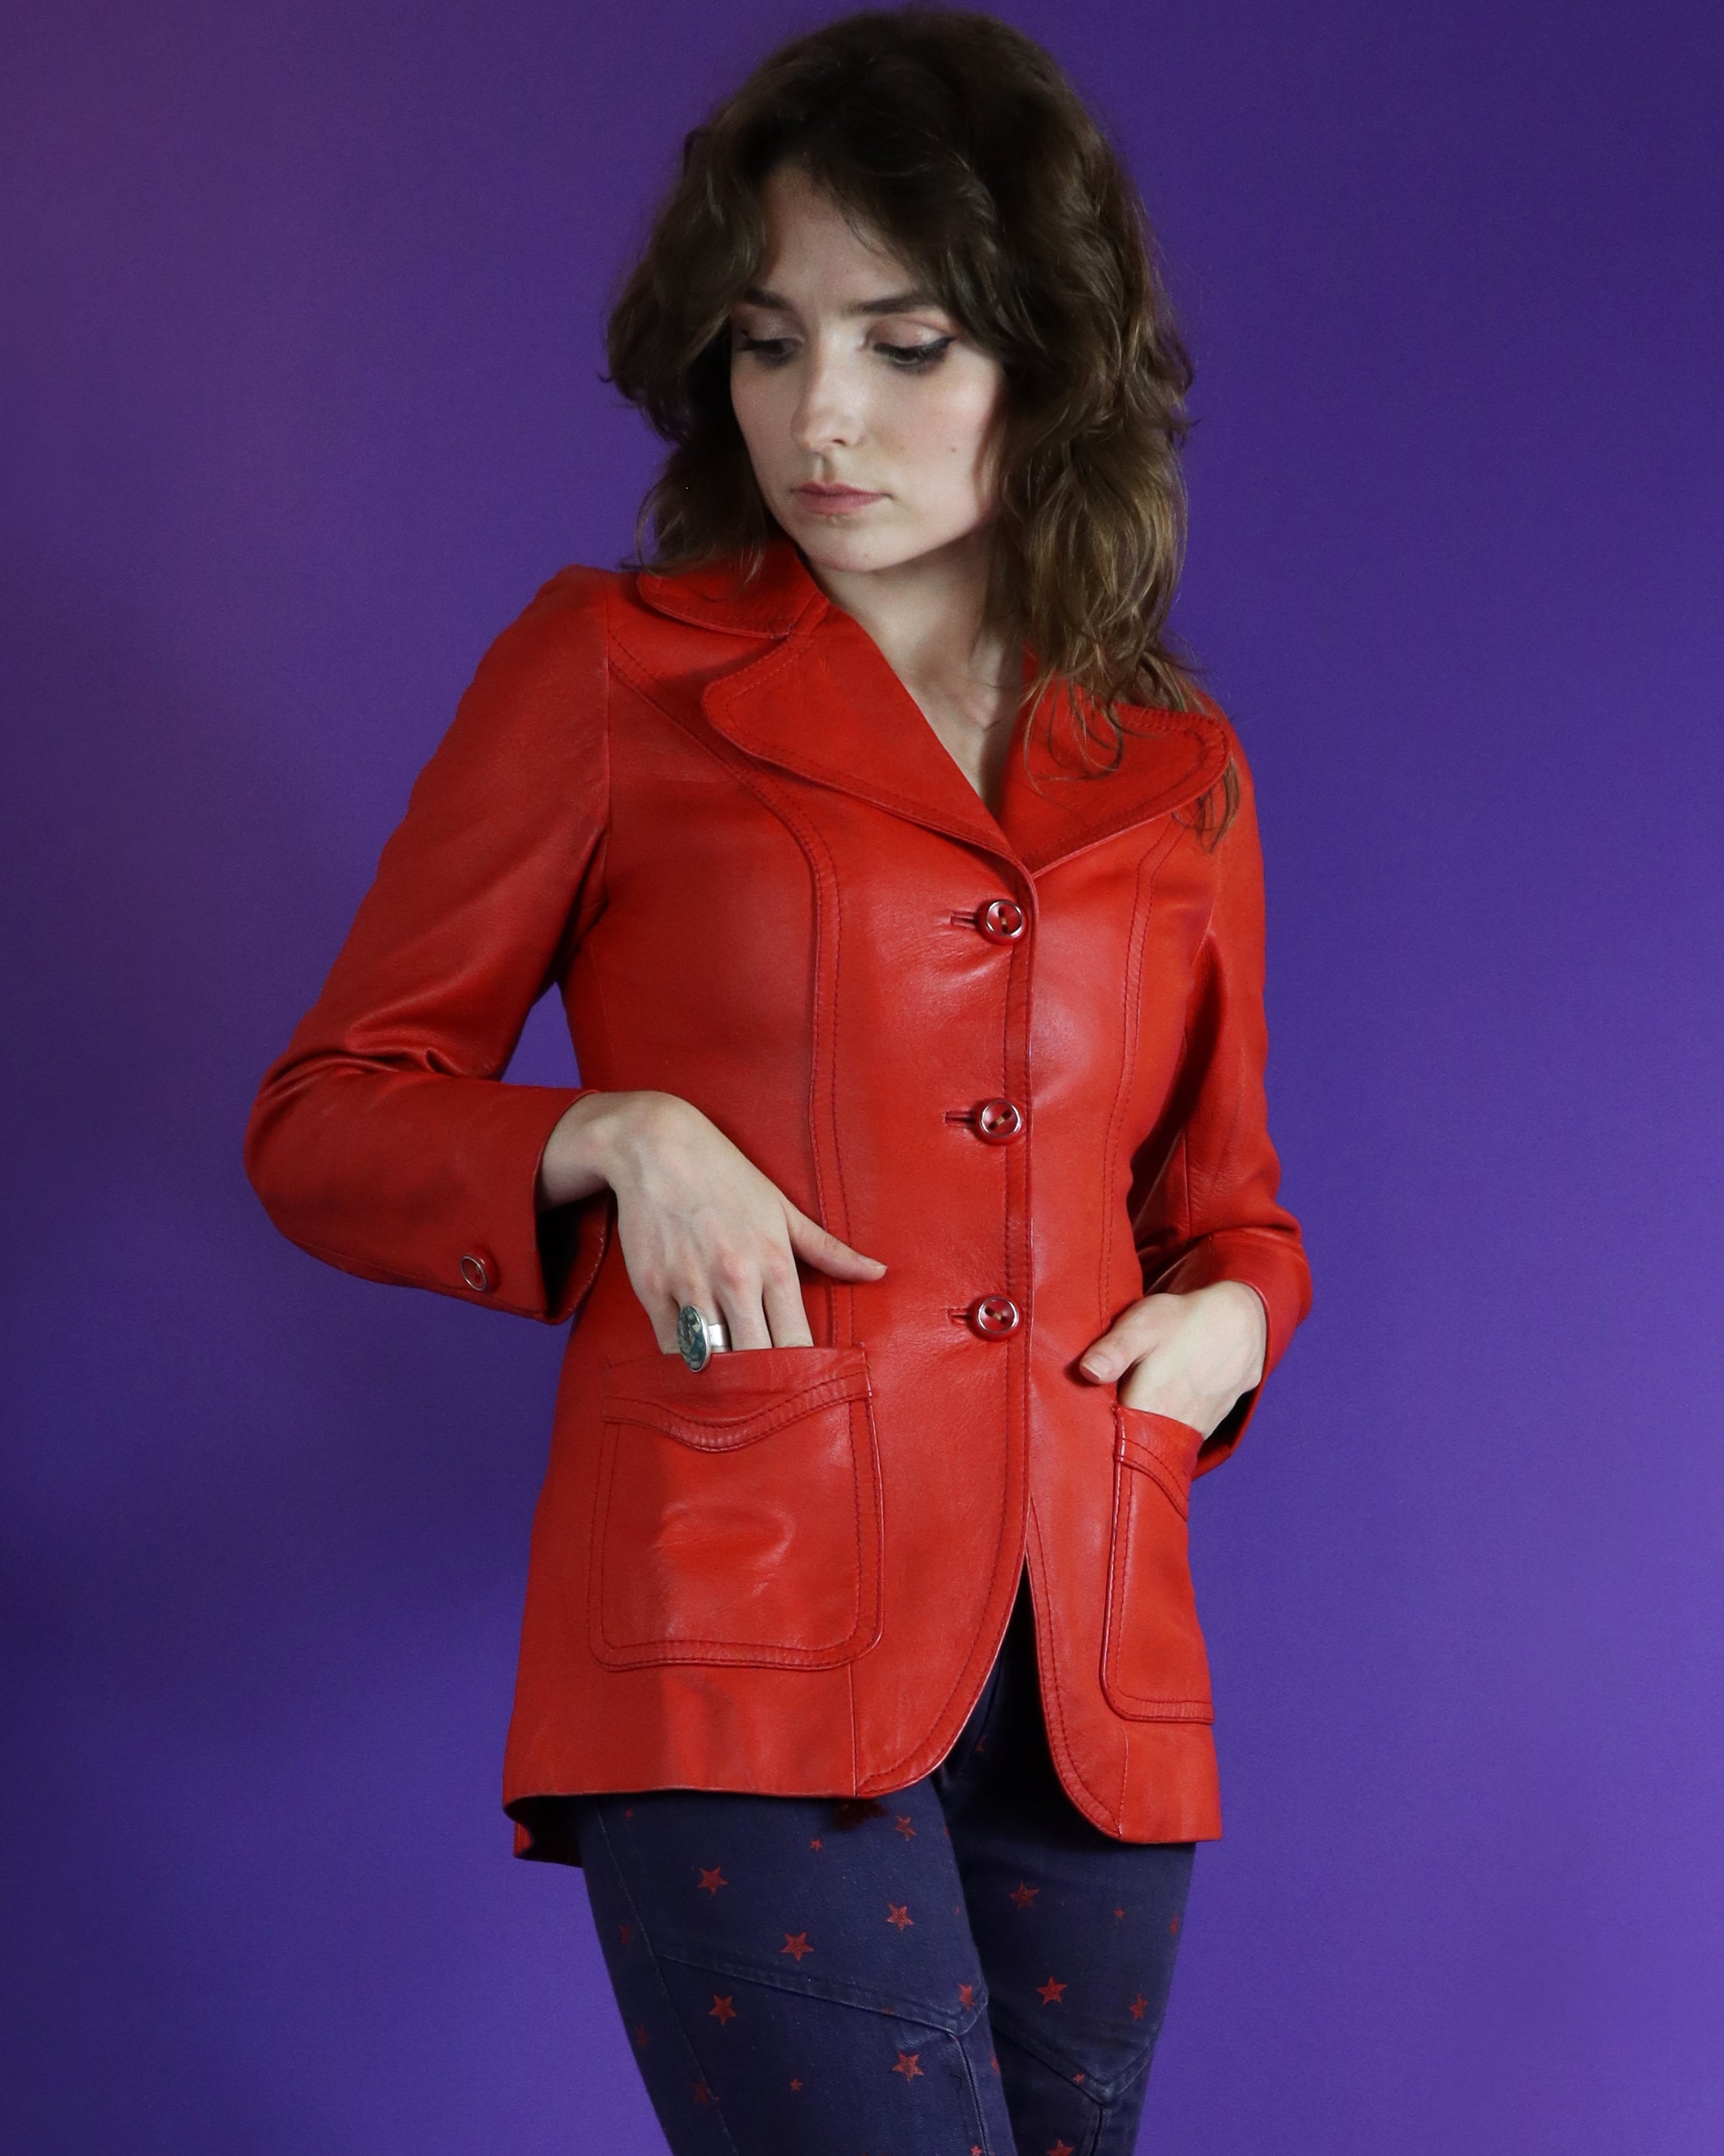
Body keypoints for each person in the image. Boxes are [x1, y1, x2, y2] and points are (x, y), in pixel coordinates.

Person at [244, 8, 1312, 2151]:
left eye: (906, 346)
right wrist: (609, 1133)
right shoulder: (610, 672)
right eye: (766, 341)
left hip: (1095, 1659)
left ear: (1052, 363)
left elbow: (1230, 1210)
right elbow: (326, 1118)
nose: (819, 414)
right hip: (734, 1621)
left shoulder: (1177, 766)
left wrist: (1233, 1332)